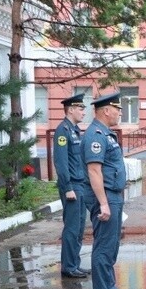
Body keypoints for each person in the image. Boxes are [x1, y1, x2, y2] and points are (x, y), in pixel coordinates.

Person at [81, 92, 131, 289]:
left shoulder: (105, 133)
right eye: (117, 109)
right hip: (106, 196)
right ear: (105, 110)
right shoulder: (95, 135)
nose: (120, 113)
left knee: (112, 245)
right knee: (104, 245)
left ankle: (109, 288)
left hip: (113, 194)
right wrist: (103, 203)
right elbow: (94, 171)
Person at [53, 93, 89, 279]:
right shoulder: (63, 131)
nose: (84, 111)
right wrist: (67, 187)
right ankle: (68, 266)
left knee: (80, 227)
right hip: (72, 186)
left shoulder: (75, 130)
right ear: (71, 109)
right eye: (81, 108)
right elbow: (61, 162)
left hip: (80, 184)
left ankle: (74, 263)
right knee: (72, 227)